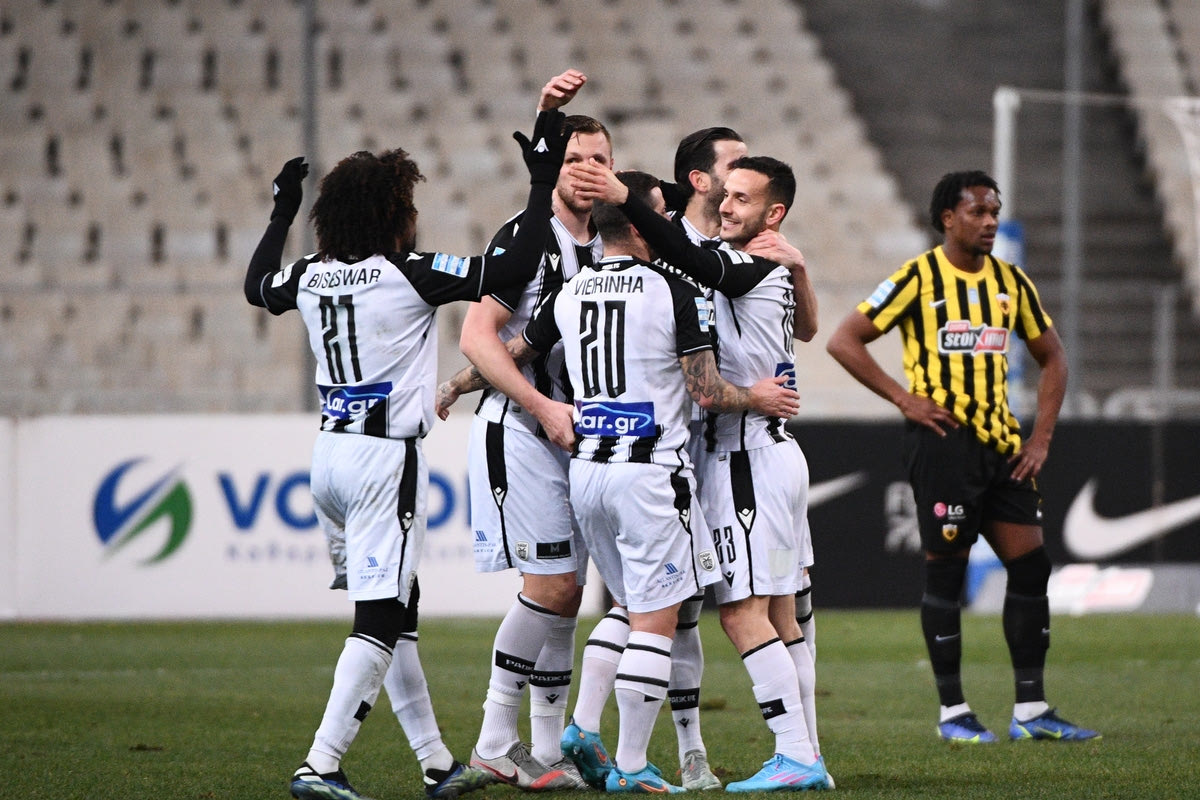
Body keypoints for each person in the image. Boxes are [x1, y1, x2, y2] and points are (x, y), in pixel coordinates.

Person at [243, 107, 573, 800]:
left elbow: (257, 287)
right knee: (380, 619)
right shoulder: (409, 272)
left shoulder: (308, 274)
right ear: (394, 214)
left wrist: (281, 212)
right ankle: (321, 764)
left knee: (399, 608)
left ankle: (435, 763)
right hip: (383, 460)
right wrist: (542, 182)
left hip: (329, 457)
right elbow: (514, 267)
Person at [481, 170, 801, 793]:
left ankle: (585, 729)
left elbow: (514, 351)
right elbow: (707, 391)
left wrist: (458, 383)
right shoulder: (672, 290)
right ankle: (632, 767)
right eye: (657, 215)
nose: (668, 224)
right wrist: (755, 396)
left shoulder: (570, 290)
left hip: (587, 475)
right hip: (651, 475)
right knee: (657, 621)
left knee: (628, 607)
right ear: (637, 225)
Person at [570, 156, 830, 791]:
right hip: (753, 456)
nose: (725, 205)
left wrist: (624, 200)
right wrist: (800, 268)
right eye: (725, 193)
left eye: (741, 198)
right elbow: (806, 325)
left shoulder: (749, 262)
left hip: (745, 460)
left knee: (739, 614)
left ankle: (797, 756)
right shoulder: (761, 260)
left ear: (774, 214)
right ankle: (801, 753)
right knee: (774, 619)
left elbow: (696, 263)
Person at [825, 170, 1100, 744]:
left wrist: (1041, 439)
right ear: (948, 218)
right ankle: (953, 713)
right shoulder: (917, 277)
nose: (990, 221)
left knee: (1032, 567)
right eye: (978, 211)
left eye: (994, 211)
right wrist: (903, 398)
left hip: (1003, 446)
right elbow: (844, 339)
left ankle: (1031, 711)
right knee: (946, 574)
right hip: (944, 445)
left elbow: (1053, 357)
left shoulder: (1011, 281)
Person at [435, 69, 602, 792]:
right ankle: (494, 740)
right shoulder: (526, 236)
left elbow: (526, 340)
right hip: (526, 430)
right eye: (573, 158)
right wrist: (541, 406)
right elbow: (478, 335)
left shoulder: (609, 244)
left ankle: (547, 749)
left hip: (578, 438)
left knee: (568, 596)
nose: (587, 170)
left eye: (599, 158)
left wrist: (460, 383)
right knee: (554, 584)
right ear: (550, 167)